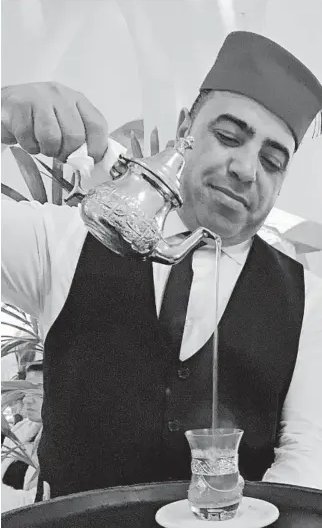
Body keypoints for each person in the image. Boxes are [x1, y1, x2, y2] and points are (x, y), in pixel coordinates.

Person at [1, 31, 322, 500]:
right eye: (229, 136)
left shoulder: (308, 298)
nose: (247, 169)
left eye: (272, 162)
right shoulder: (66, 239)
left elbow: (307, 453)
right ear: (185, 132)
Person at [1, 362, 44, 511]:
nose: (27, 400)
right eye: (26, 391)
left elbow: (39, 504)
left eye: (37, 390)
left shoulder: (63, 443)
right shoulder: (20, 429)